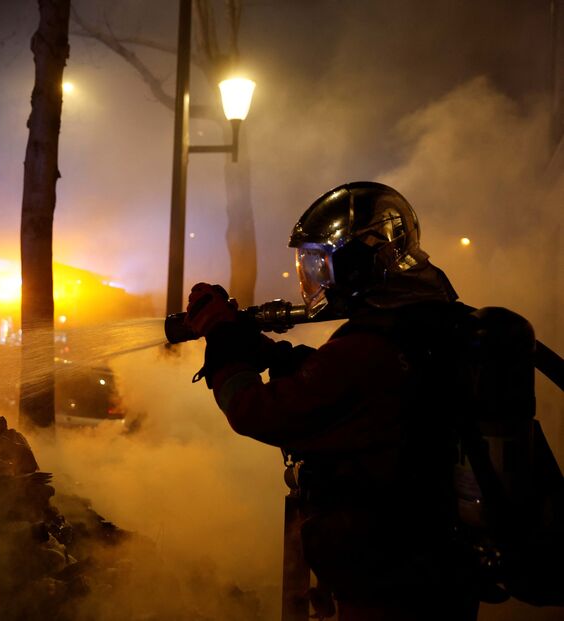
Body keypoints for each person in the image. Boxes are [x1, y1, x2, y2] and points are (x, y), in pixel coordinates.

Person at [185, 181, 480, 620]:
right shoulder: (427, 319)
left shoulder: (372, 344)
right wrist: (272, 354)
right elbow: (345, 388)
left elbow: (257, 411)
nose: (313, 278)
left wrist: (225, 344)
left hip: (388, 579)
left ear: (360, 261)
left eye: (320, 263)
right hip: (437, 566)